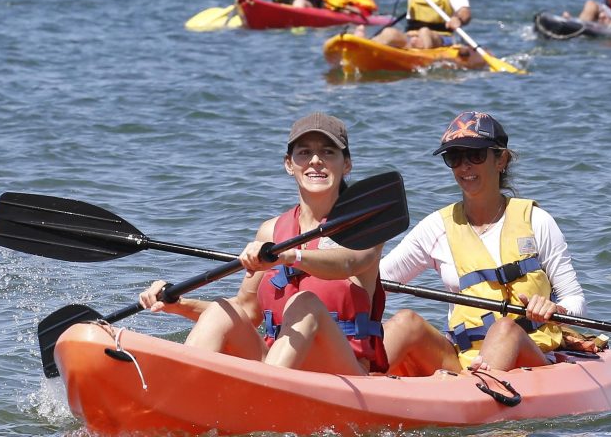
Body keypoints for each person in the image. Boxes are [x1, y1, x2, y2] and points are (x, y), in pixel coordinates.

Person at [138, 112, 455, 377]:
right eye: (304, 152)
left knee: (305, 303)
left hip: (344, 375)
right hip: (279, 363)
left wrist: (289, 256)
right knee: (225, 309)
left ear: (347, 165)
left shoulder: (366, 227)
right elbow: (249, 311)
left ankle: (265, 393)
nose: (315, 160)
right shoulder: (271, 231)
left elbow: (348, 264)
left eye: (328, 152)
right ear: (289, 164)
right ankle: (176, 390)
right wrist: (178, 304)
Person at [379, 111, 586, 372]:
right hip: (463, 358)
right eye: (454, 157)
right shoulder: (436, 227)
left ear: (501, 160)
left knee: (504, 330)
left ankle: (472, 398)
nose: (465, 166)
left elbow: (575, 299)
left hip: (531, 355)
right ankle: (354, 384)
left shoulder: (537, 221)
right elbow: (377, 281)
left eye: (475, 155)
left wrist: (556, 308)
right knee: (405, 321)